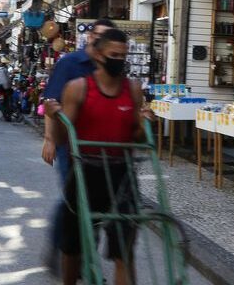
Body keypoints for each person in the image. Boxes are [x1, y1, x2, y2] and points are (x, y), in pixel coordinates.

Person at [54, 28, 148, 285]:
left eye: (123, 55)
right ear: (98, 55)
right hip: (85, 171)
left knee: (124, 251)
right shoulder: (78, 89)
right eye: (113, 55)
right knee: (72, 246)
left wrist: (146, 124)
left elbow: (138, 137)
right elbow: (63, 137)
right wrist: (55, 119)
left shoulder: (133, 90)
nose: (119, 60)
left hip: (122, 173)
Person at [39, 19, 115, 275]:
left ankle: (84, 253)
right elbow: (51, 100)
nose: (102, 42)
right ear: (90, 36)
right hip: (69, 143)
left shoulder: (110, 64)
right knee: (72, 197)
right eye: (99, 36)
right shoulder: (71, 63)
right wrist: (49, 139)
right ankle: (60, 245)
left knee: (96, 202)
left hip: (99, 144)